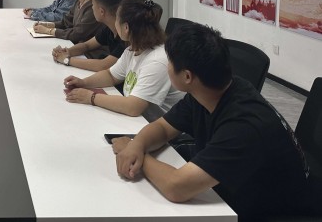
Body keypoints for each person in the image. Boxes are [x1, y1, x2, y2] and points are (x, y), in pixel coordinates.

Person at [113, 23, 311, 221]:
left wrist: (139, 156)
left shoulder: (244, 126)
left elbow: (176, 187)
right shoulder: (207, 91)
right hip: (236, 188)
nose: (167, 67)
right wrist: (137, 145)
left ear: (187, 76)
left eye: (170, 62)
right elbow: (163, 128)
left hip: (271, 211)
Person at [63, 0, 184, 120]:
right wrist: (83, 82)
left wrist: (91, 97)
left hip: (156, 126)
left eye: (117, 19)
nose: (115, 23)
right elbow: (111, 76)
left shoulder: (157, 60)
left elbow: (133, 107)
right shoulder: (133, 49)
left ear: (126, 27)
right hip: (138, 120)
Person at [52, 0, 127, 72]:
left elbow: (103, 65)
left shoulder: (126, 36)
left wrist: (67, 60)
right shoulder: (109, 28)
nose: (92, 8)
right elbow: (87, 45)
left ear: (102, 11)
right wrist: (66, 51)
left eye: (93, 5)